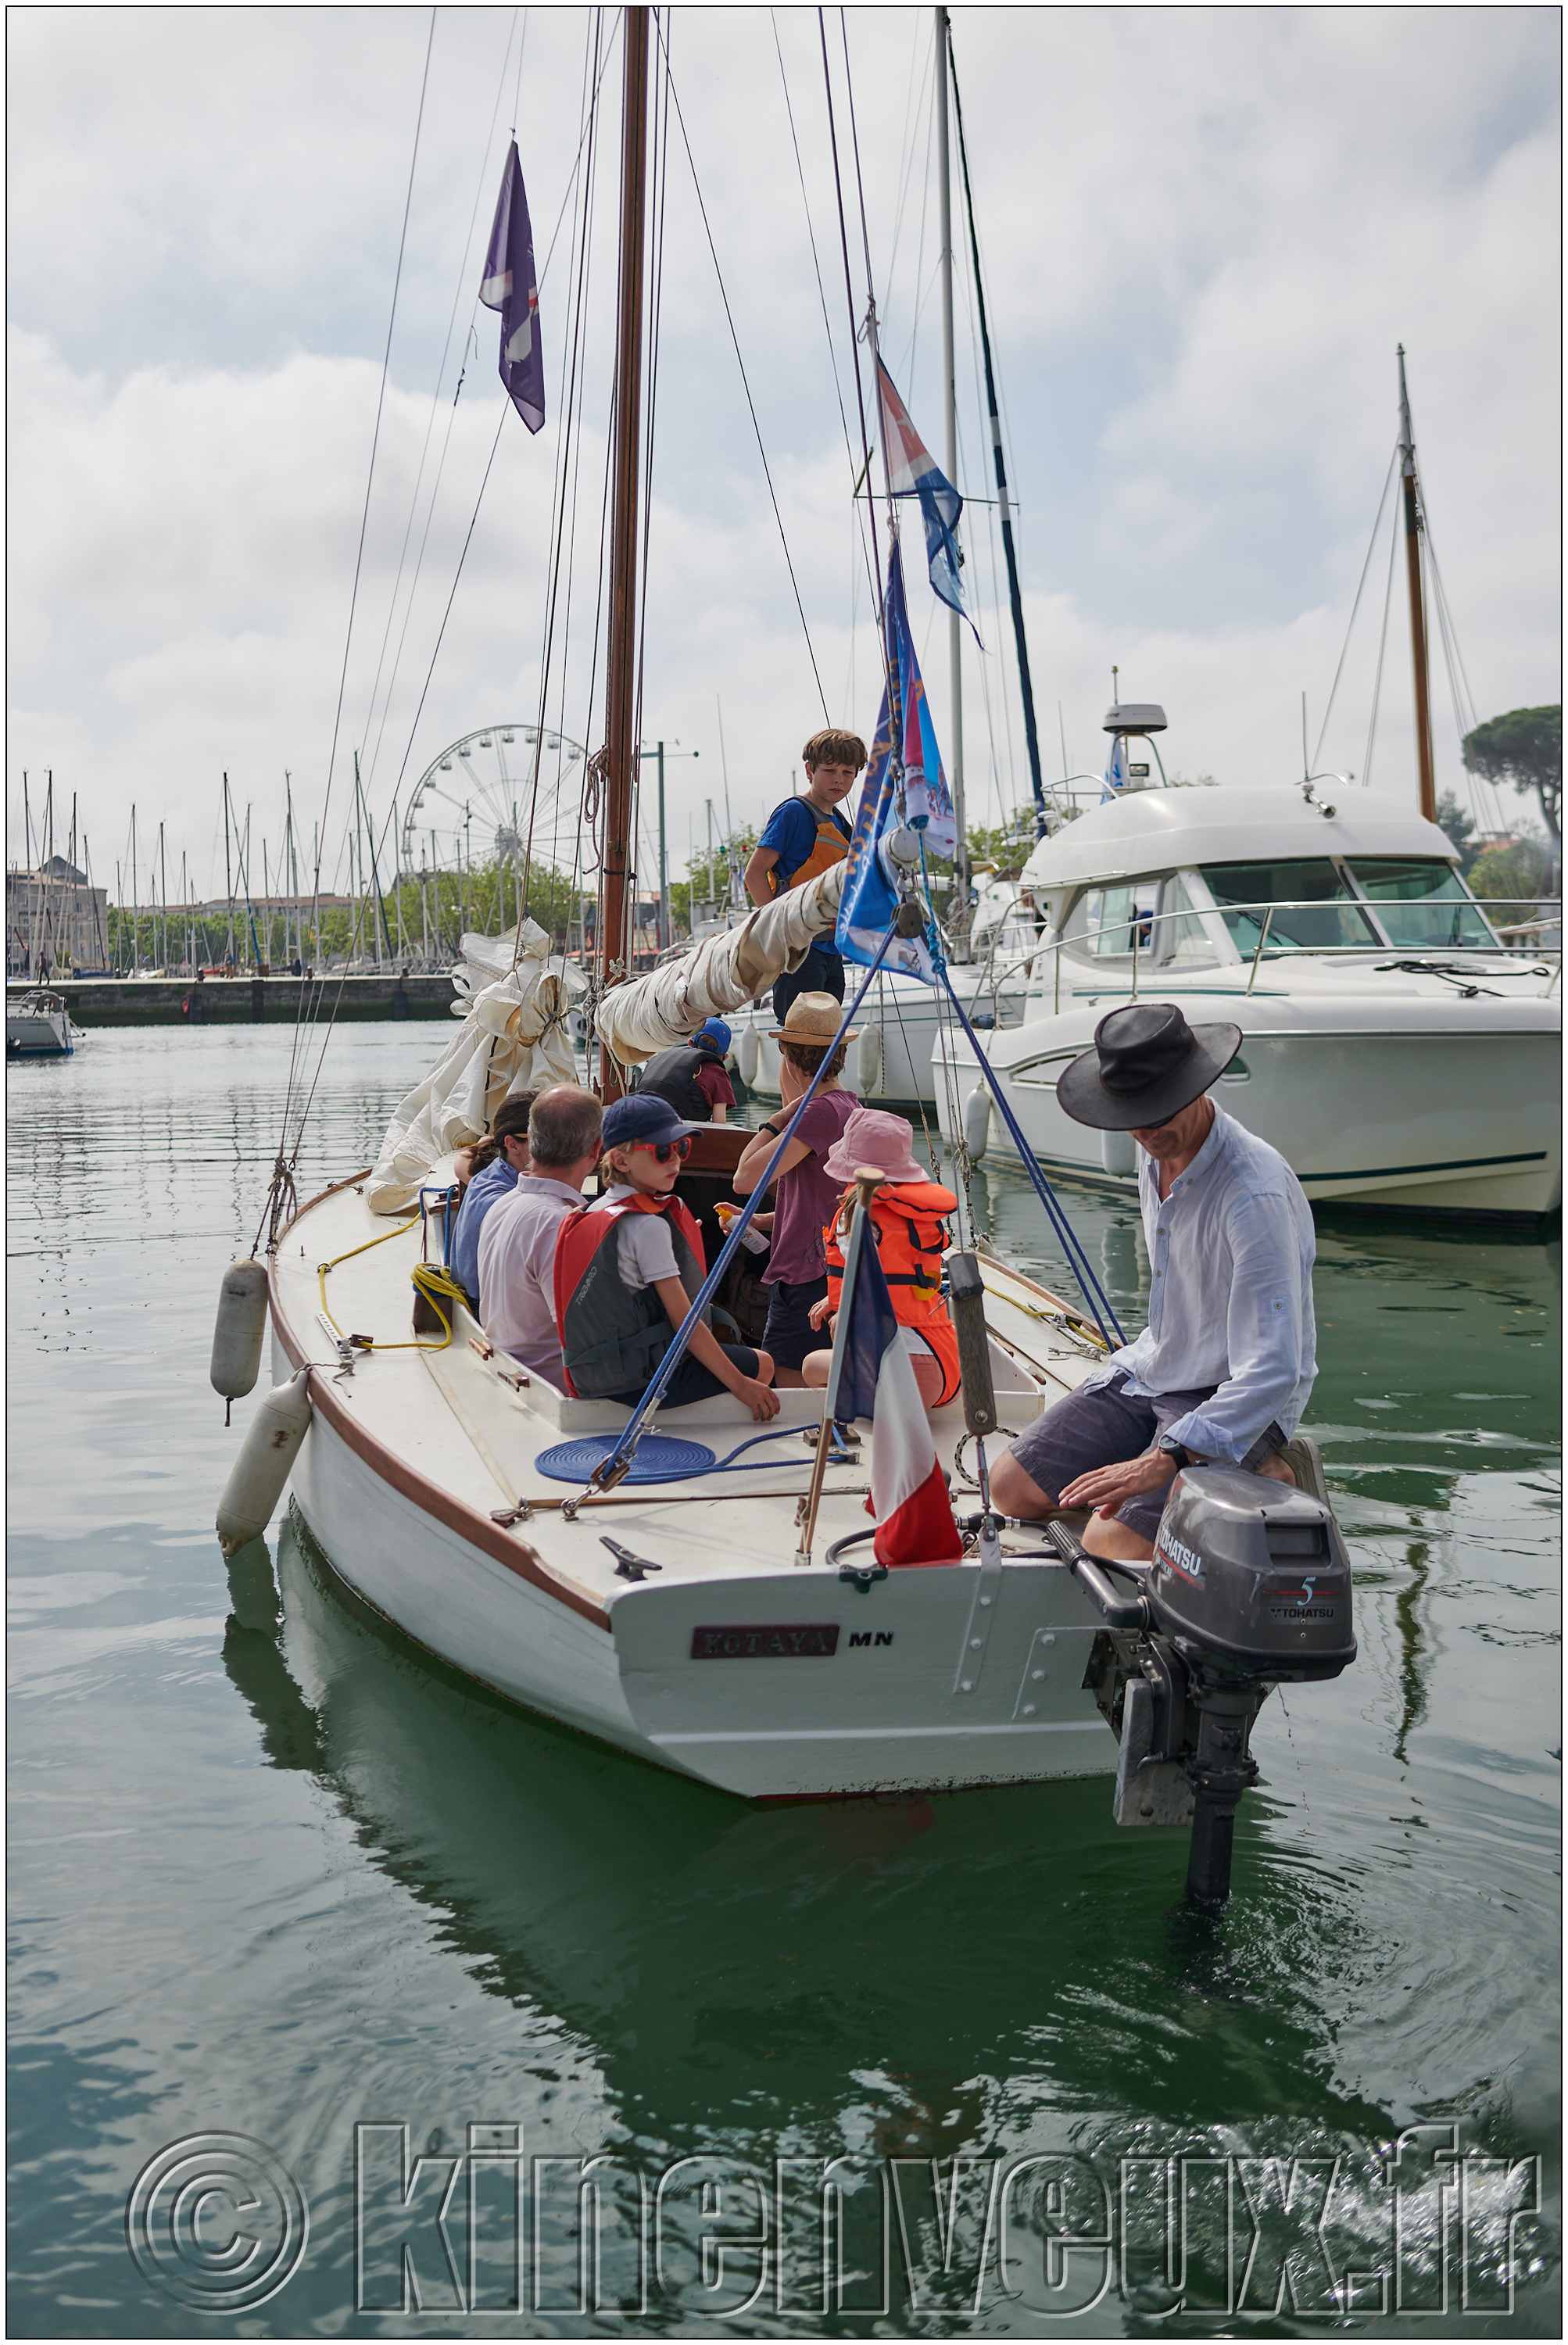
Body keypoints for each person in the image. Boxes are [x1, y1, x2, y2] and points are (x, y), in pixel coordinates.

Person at [990, 1002, 1319, 1564]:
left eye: (1159, 1109)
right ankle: (1182, 1492)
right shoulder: (1155, 1149)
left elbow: (1273, 1369)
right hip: (1159, 1369)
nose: (1145, 1129)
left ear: (1198, 1087)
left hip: (1237, 1397)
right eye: (1132, 1114)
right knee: (1010, 1491)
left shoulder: (1253, 1194)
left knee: (1109, 1544)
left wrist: (1166, 1456)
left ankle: (1275, 1468)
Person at [555, 1094, 779, 1418]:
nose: (675, 1161)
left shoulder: (594, 1211)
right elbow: (685, 1323)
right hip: (638, 1381)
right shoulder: (647, 1226)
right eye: (662, 1152)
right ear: (620, 1161)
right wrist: (741, 1385)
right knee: (763, 1364)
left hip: (594, 1374)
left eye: (681, 1149)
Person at [732, 993, 858, 1387]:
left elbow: (745, 1179)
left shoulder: (817, 1113)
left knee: (790, 1390)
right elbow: (821, 1199)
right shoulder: (845, 1105)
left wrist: (778, 1118)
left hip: (807, 1278)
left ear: (789, 1058)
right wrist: (759, 1221)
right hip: (821, 1267)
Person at [800, 1107, 962, 1408]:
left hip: (893, 1370)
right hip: (943, 1369)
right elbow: (891, 1272)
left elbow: (858, 1281)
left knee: (811, 1365)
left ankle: (853, 1425)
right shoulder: (921, 1217)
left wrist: (835, 1306)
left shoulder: (854, 1214)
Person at [478, 1085, 603, 1387]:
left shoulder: (502, 1205)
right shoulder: (559, 1224)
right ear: (596, 1150)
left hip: (506, 1369)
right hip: (551, 1388)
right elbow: (583, 1339)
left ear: (532, 1141)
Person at [743, 729, 866, 1025]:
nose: (839, 779)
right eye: (830, 770)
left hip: (831, 951)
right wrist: (779, 937)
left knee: (825, 1037)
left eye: (847, 772)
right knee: (799, 1039)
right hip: (798, 951)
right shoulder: (794, 813)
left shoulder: (842, 826)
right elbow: (755, 873)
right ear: (810, 770)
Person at [449, 1092, 538, 1304]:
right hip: (485, 1311)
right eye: (542, 1139)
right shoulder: (503, 1202)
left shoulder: (493, 1172)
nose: (555, 1147)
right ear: (513, 1144)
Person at [635, 1018, 735, 1124]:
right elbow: (719, 1125)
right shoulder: (718, 1074)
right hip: (670, 1128)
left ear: (690, 1043)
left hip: (635, 1114)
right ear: (724, 1058)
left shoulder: (663, 1054)